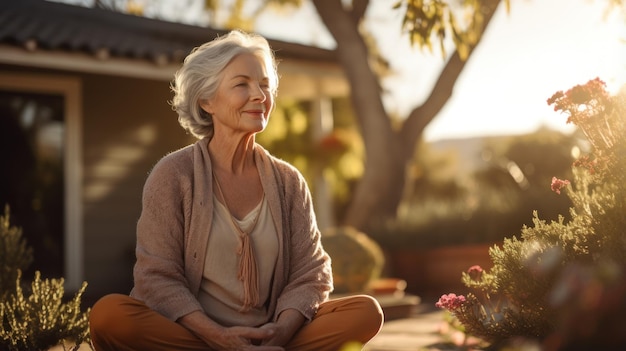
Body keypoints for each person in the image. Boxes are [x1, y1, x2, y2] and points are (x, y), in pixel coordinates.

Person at [88, 30, 384, 351]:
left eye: (265, 85)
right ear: (206, 100)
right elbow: (157, 277)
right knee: (109, 315)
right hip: (197, 337)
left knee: (365, 312)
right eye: (242, 84)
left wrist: (278, 334)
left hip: (271, 335)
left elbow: (310, 273)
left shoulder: (288, 181)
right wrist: (219, 337)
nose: (259, 95)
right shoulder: (173, 175)